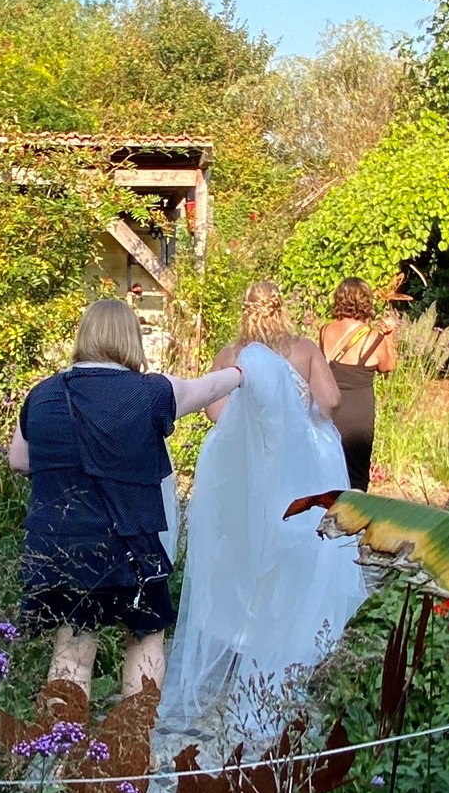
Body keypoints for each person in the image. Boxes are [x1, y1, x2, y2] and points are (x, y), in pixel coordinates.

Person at [158, 282, 369, 746]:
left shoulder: (231, 352)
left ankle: (239, 632)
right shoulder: (304, 349)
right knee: (293, 546)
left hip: (243, 470)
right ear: (281, 310)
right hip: (297, 465)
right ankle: (279, 630)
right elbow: (332, 401)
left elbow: (215, 413)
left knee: (240, 544)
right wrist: (299, 413)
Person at [10, 297, 244, 704]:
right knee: (145, 639)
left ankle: (62, 756)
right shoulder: (150, 393)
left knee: (72, 647)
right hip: (129, 545)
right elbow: (206, 389)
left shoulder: (42, 394)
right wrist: (240, 372)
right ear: (131, 340)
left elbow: (19, 460)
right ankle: (135, 751)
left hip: (59, 545)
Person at [318, 278, 398, 491]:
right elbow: (388, 366)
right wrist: (389, 336)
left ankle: (323, 518)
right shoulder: (373, 338)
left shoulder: (325, 331)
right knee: (356, 475)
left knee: (327, 471)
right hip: (358, 415)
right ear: (366, 301)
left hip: (329, 409)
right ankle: (351, 521)